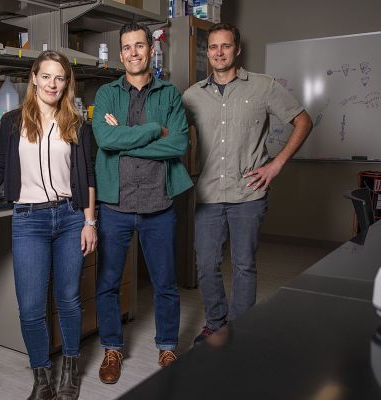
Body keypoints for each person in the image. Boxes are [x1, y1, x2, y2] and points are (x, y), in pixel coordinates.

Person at [0, 50, 97, 400]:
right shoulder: (12, 122)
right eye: (47, 76)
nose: (53, 84)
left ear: (66, 82)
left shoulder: (77, 123)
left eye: (60, 77)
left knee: (68, 299)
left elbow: (88, 176)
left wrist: (89, 222)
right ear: (34, 78)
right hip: (29, 220)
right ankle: (42, 379)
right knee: (30, 306)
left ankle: (70, 369)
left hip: (70, 218)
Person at [182, 23, 313, 343]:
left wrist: (276, 164)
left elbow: (303, 120)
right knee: (206, 265)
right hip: (208, 194)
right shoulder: (191, 95)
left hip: (249, 194)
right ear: (207, 52)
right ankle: (215, 323)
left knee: (243, 266)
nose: (218, 53)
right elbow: (172, 136)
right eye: (213, 47)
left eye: (225, 46)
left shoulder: (263, 86)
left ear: (237, 49)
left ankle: (240, 331)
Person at [92, 22, 193, 384]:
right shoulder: (105, 93)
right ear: (120, 55)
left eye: (139, 46)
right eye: (127, 47)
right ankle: (112, 349)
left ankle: (167, 345)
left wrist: (125, 137)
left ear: (150, 50)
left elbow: (179, 144)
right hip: (114, 207)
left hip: (158, 205)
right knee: (107, 282)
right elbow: (104, 139)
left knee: (165, 282)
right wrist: (154, 130)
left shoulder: (169, 94)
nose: (133, 53)